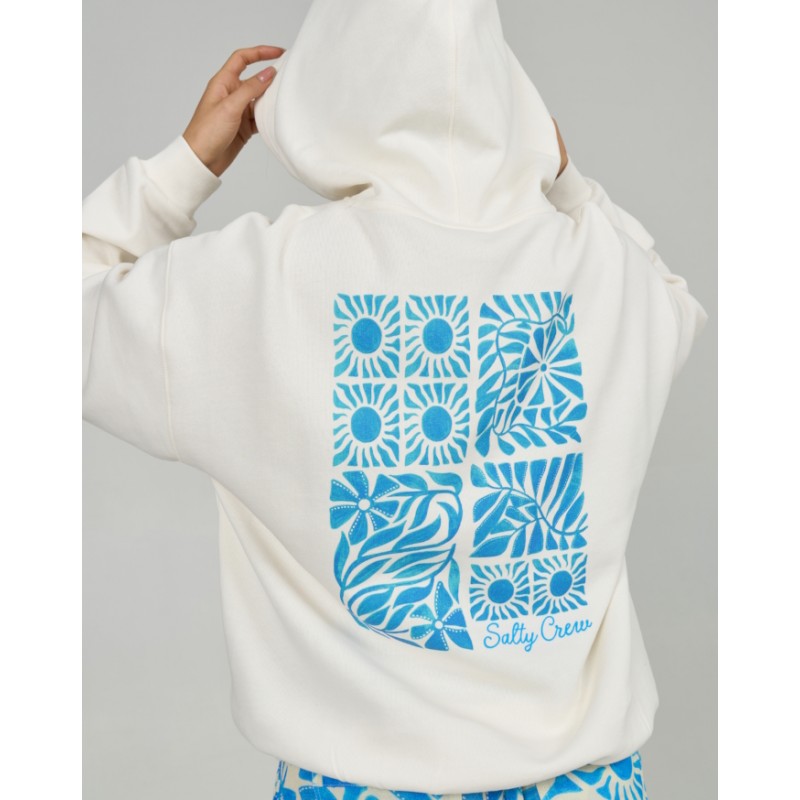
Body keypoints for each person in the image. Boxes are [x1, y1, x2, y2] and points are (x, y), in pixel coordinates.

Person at [83, 1, 708, 798]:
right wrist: (567, 179)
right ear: (508, 95)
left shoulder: (256, 282)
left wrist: (182, 169)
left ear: (324, 87)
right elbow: (672, 301)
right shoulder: (607, 270)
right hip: (586, 782)